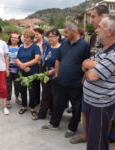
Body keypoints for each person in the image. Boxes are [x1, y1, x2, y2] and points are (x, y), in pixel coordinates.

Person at [42, 22, 90, 138]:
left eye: (67, 32)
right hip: (61, 82)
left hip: (75, 83)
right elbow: (58, 60)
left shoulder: (84, 45)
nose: (65, 35)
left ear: (74, 31)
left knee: (76, 107)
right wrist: (57, 74)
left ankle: (72, 128)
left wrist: (83, 80)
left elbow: (87, 64)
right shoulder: (64, 43)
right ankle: (54, 123)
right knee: (58, 104)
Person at [70, 5, 109, 144]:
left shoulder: (111, 35)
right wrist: (85, 73)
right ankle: (86, 136)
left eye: (93, 16)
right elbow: (90, 57)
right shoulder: (93, 36)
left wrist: (91, 66)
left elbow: (109, 61)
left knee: (103, 117)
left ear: (103, 16)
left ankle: (104, 138)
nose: (91, 19)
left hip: (104, 86)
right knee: (85, 111)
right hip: (88, 80)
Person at [82, 15, 115, 150]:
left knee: (98, 143)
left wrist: (89, 66)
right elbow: (84, 64)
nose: (96, 30)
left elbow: (93, 76)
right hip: (91, 102)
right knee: (93, 139)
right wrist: (90, 65)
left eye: (99, 27)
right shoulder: (104, 50)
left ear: (109, 31)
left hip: (100, 106)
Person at [16, 29, 41, 120]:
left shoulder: (35, 47)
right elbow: (17, 58)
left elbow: (36, 59)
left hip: (32, 73)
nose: (25, 39)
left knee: (32, 91)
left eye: (27, 37)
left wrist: (25, 65)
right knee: (22, 90)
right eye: (24, 37)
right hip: (22, 73)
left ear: (31, 39)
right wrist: (21, 66)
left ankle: (32, 107)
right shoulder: (21, 47)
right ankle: (24, 106)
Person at [37, 29, 61, 119]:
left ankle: (55, 115)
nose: (50, 38)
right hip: (46, 74)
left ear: (58, 37)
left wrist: (53, 71)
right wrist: (42, 74)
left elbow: (62, 63)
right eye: (49, 36)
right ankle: (41, 114)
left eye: (53, 36)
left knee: (55, 96)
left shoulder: (61, 48)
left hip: (55, 75)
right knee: (45, 95)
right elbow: (44, 60)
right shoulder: (48, 47)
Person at [34, 28, 50, 106]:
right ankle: (36, 101)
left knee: (44, 85)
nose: (36, 36)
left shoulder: (47, 43)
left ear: (42, 35)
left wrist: (44, 60)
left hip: (44, 65)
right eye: (35, 34)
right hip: (36, 65)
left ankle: (45, 102)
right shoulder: (33, 44)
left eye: (37, 34)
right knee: (36, 84)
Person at [6, 32, 22, 109]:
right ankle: (8, 100)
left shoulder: (21, 47)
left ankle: (17, 98)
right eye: (12, 37)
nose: (14, 39)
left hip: (18, 71)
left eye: (16, 38)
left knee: (17, 86)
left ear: (18, 39)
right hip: (8, 70)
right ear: (10, 38)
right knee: (8, 86)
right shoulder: (6, 47)